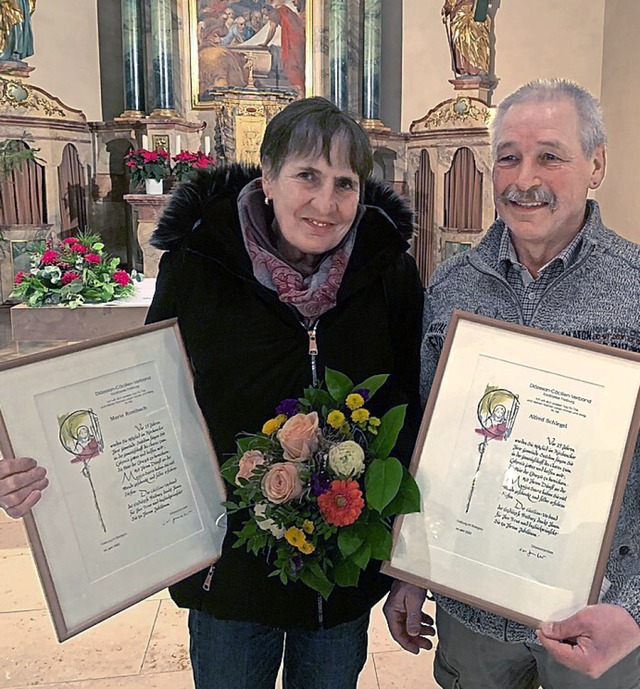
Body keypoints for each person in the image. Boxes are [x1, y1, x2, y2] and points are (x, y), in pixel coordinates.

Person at [0, 97, 425, 689]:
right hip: (227, 571)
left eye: (344, 184)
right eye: (307, 175)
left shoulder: (390, 273)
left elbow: (412, 408)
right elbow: (139, 400)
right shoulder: (197, 264)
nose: (326, 204)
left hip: (340, 571)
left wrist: (410, 557)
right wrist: (46, 473)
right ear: (269, 178)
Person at [383, 78, 640, 688]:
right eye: (507, 156)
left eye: (550, 155)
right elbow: (434, 442)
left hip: (599, 614)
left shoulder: (635, 293)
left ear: (596, 164)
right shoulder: (452, 287)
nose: (524, 178)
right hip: (472, 615)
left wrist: (635, 613)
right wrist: (413, 569)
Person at [441, 0, 490, 77]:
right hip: (459, 12)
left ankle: (478, 67)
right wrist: (447, 8)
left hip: (476, 10)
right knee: (460, 37)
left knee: (476, 37)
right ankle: (464, 68)